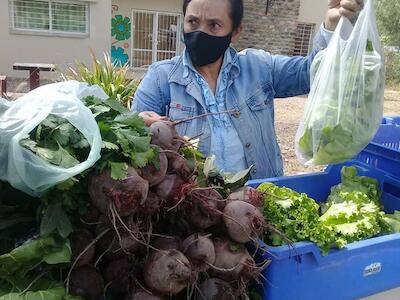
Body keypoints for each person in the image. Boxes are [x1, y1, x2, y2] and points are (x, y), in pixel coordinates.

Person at [132, 0, 364, 179]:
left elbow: (313, 73)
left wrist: (333, 28)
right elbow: (133, 148)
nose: (200, 32)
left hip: (258, 208)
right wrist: (138, 127)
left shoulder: (259, 68)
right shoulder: (161, 78)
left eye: (214, 25)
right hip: (194, 216)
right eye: (192, 22)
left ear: (235, 32)